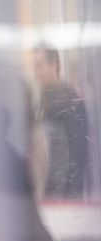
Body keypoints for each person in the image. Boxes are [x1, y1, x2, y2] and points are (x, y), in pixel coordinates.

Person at [29, 47, 88, 200]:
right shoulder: (42, 102)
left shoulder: (69, 102)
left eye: (39, 66)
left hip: (63, 197)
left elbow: (76, 155)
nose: (36, 74)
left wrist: (66, 197)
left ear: (54, 65)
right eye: (34, 68)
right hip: (51, 194)